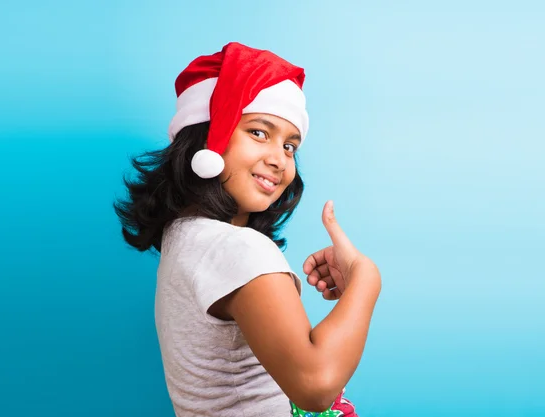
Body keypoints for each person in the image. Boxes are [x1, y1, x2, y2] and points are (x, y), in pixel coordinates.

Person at [114, 42, 382, 417]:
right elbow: (317, 386)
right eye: (259, 132)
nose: (278, 159)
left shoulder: (185, 238)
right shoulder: (236, 249)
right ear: (207, 138)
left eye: (290, 146)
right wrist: (365, 279)